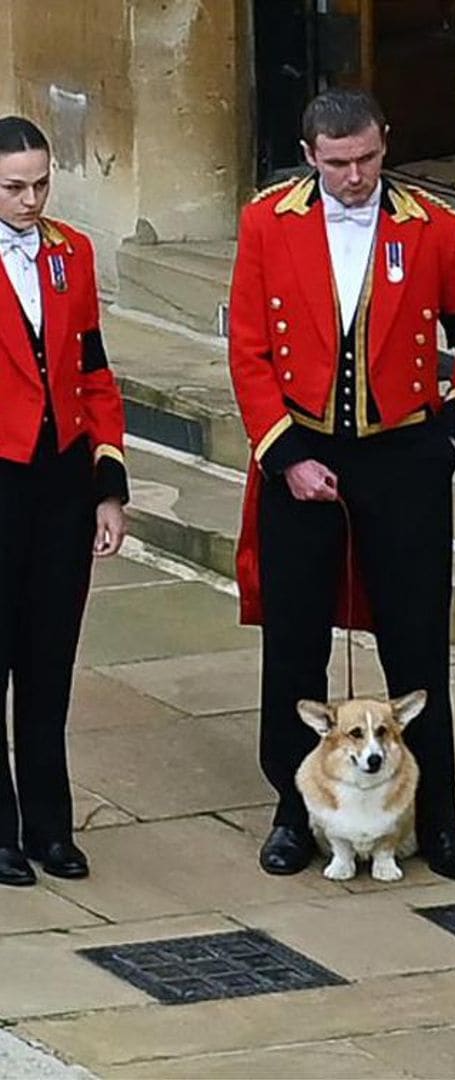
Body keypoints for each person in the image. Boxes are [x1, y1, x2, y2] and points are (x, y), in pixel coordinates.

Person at [229, 89, 455, 881]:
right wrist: (283, 455)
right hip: (301, 456)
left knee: (418, 648)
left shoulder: (433, 228)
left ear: (385, 143)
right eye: (339, 163)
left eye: (368, 159)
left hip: (400, 463)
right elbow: (249, 352)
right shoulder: (265, 224)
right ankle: (295, 813)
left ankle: (438, 820)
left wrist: (452, 433)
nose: (356, 178)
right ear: (310, 154)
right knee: (295, 649)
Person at [0, 117, 129, 887]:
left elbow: (93, 371)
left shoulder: (70, 253)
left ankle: (51, 823)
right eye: (14, 186)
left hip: (59, 481)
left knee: (49, 660)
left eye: (41, 183)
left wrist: (106, 487)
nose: (30, 199)